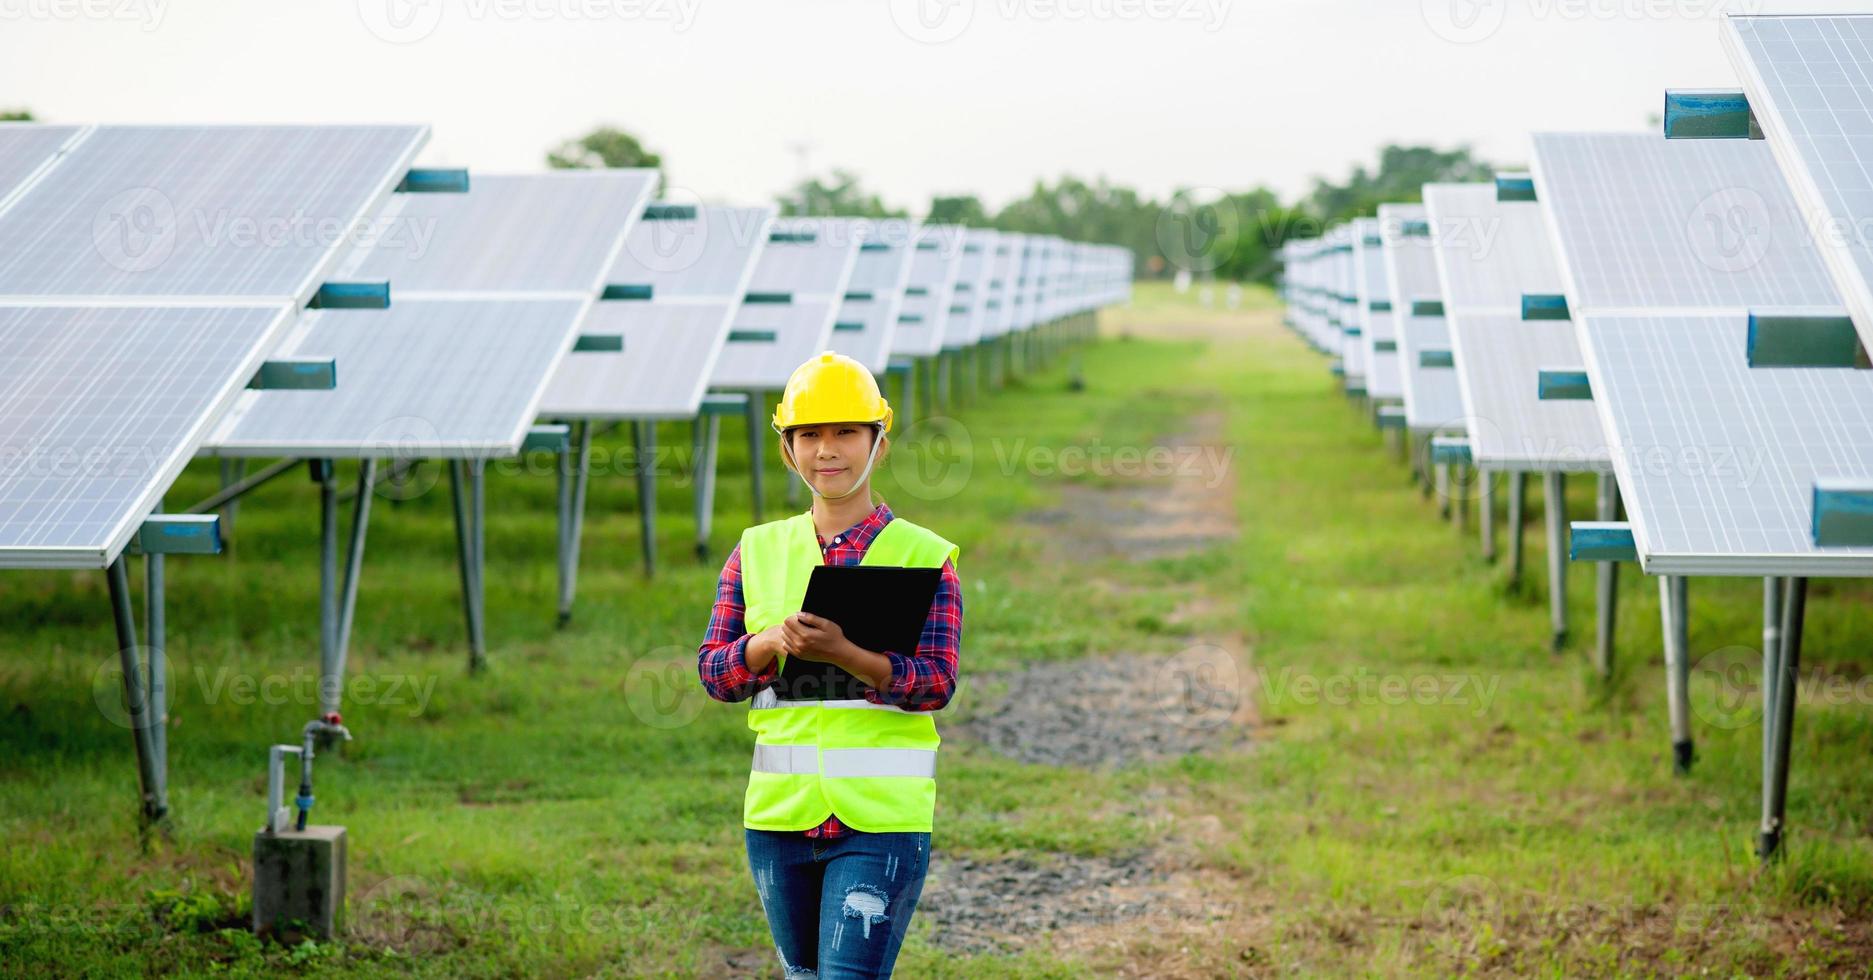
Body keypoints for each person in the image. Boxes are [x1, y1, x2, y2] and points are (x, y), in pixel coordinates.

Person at [697, 351, 963, 978]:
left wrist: (847, 655)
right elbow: (715, 674)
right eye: (809, 434)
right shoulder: (755, 550)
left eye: (846, 431)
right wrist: (766, 645)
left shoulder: (924, 556)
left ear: (879, 442)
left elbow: (937, 682)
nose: (827, 449)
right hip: (778, 819)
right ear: (788, 449)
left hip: (881, 822)